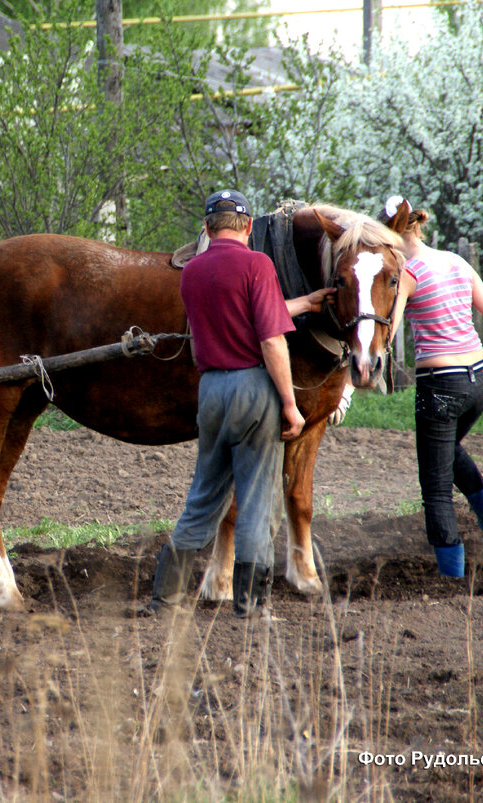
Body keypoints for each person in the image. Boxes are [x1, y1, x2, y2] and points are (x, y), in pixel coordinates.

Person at [145, 189, 331, 618]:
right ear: (248, 226)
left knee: (202, 498)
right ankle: (250, 605)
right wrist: (289, 403)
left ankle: (166, 598)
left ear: (208, 229)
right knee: (257, 500)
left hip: (210, 390)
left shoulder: (191, 273)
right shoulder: (257, 264)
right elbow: (268, 337)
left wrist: (301, 303)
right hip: (253, 390)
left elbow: (233, 319)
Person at [381, 195, 483, 577]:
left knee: (435, 488)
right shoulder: (456, 261)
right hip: (480, 384)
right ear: (418, 225)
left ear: (389, 234)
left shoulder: (410, 273)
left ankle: (452, 575)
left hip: (440, 387)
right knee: (448, 451)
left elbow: (389, 330)